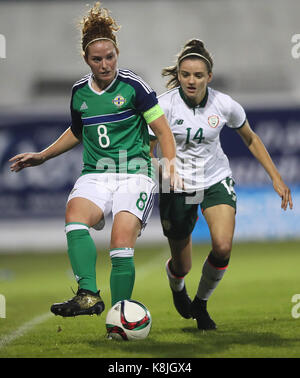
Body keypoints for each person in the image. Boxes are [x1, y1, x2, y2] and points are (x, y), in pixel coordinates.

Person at [9, 2, 178, 318]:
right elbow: (77, 131)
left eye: (110, 57)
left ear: (117, 53)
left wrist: (170, 169)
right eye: (97, 59)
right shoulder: (79, 93)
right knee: (74, 217)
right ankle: (87, 294)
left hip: (134, 172)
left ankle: (120, 314)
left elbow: (163, 132)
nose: (105, 64)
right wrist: (43, 156)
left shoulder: (135, 87)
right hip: (96, 173)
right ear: (86, 59)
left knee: (120, 242)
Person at [150, 38, 293, 330]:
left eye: (198, 75)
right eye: (186, 74)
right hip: (177, 185)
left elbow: (251, 138)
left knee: (223, 246)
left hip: (215, 178)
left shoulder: (224, 104)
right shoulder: (163, 106)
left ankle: (201, 305)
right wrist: (162, 171)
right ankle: (177, 285)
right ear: (178, 75)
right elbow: (148, 147)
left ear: (209, 77)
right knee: (183, 266)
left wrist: (277, 179)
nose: (191, 80)